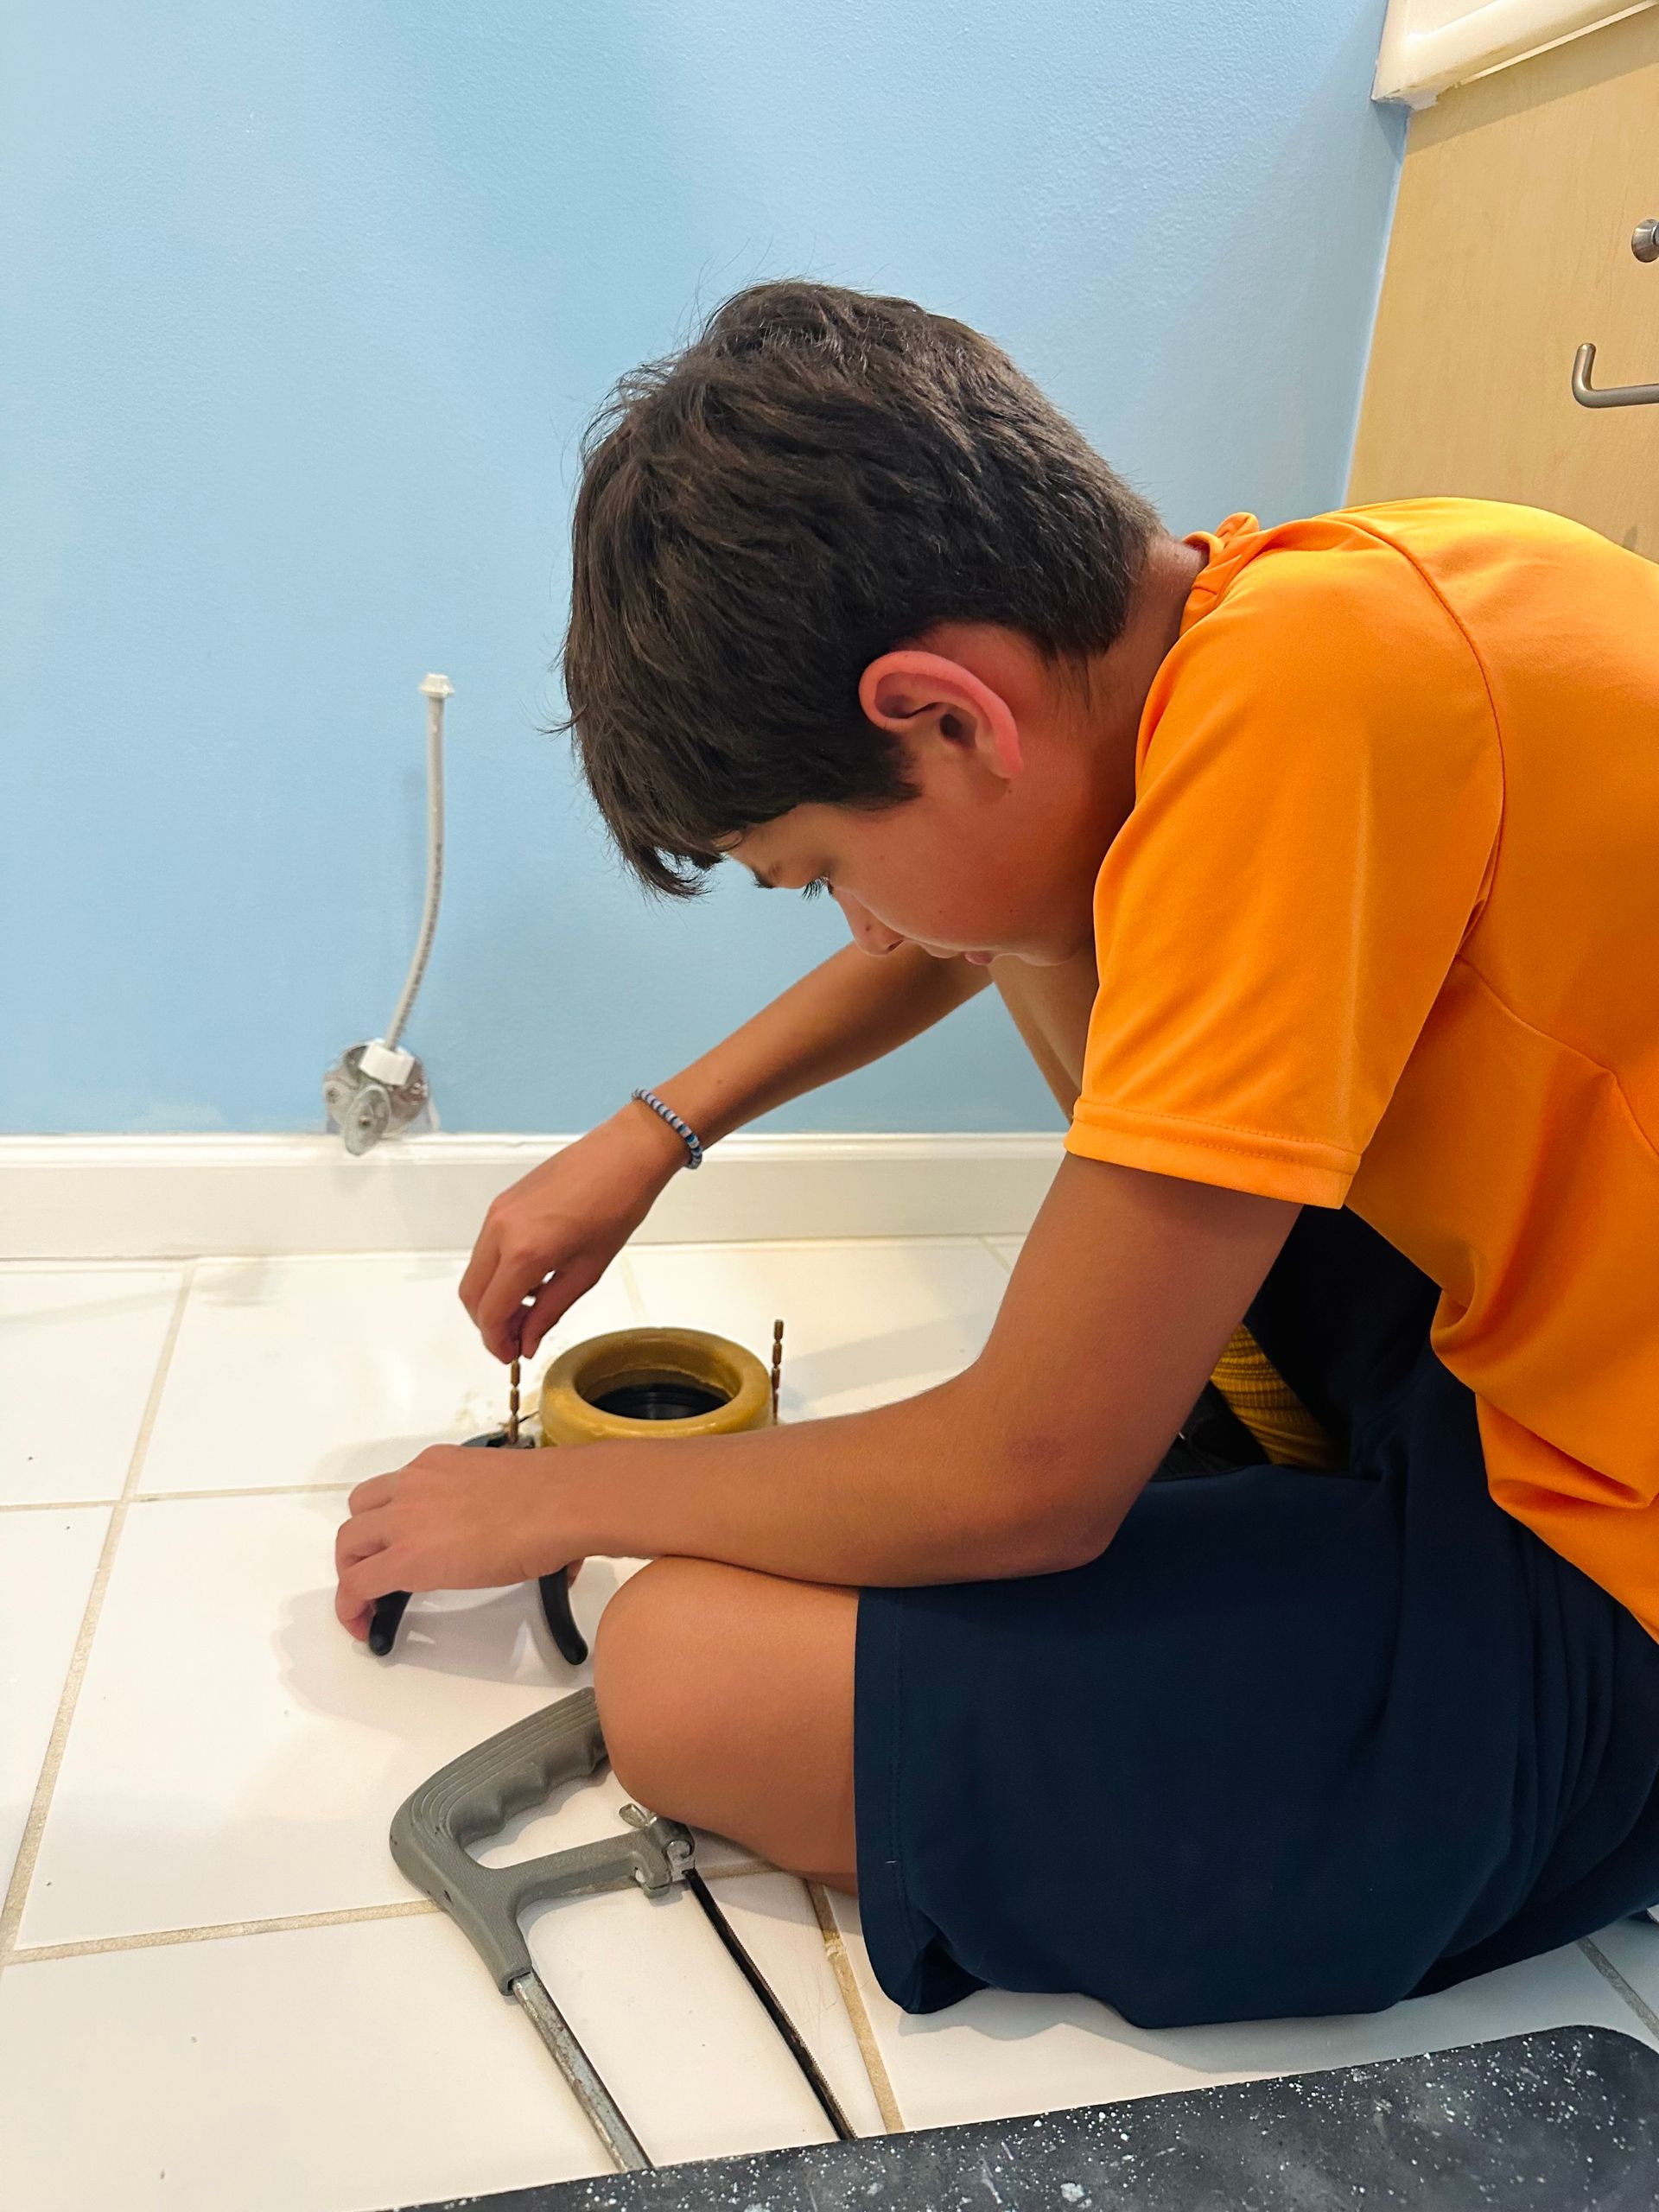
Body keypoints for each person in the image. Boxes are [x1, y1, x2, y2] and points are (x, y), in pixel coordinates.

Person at [334, 281, 1659, 2027]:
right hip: (1528, 1362)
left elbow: (1031, 1475)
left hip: (1611, 1578)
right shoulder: (1308, 613)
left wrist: (546, 1494)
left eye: (819, 872)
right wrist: (658, 1130)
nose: (858, 922)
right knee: (1055, 925)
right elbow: (977, 917)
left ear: (947, 713)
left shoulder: (1299, 714)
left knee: (679, 1670)